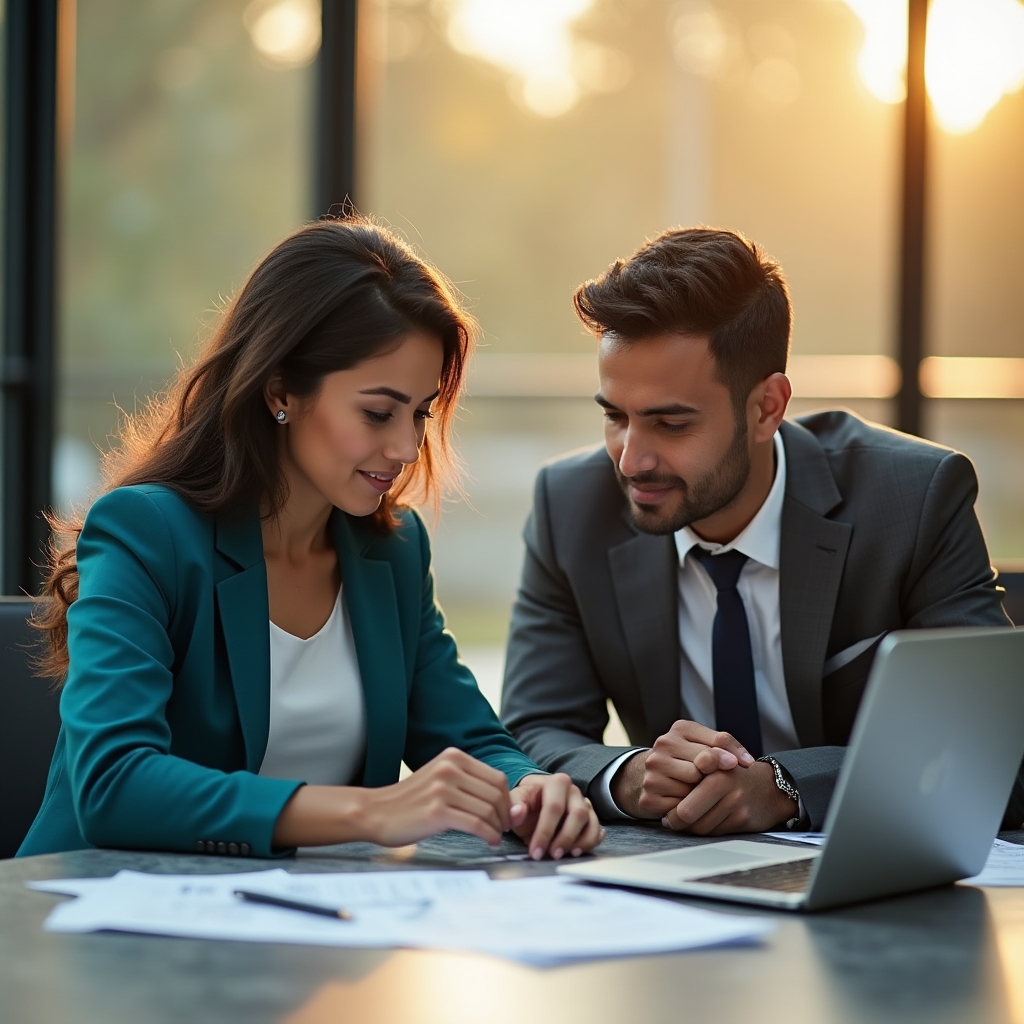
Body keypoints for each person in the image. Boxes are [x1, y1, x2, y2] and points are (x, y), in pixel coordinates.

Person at [19, 217, 602, 861]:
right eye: (377, 413)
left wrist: (534, 789)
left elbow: (473, 742)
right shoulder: (147, 533)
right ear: (281, 392)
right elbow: (114, 783)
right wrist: (372, 810)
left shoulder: (393, 551)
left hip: (312, 929)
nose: (407, 448)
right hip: (105, 923)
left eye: (419, 413)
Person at [500, 226, 1021, 835]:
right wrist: (629, 774)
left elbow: (996, 749)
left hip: (864, 881)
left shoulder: (911, 499)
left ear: (767, 407)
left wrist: (788, 786)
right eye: (616, 417)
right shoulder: (572, 507)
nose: (630, 459)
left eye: (670, 424)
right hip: (675, 882)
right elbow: (532, 728)